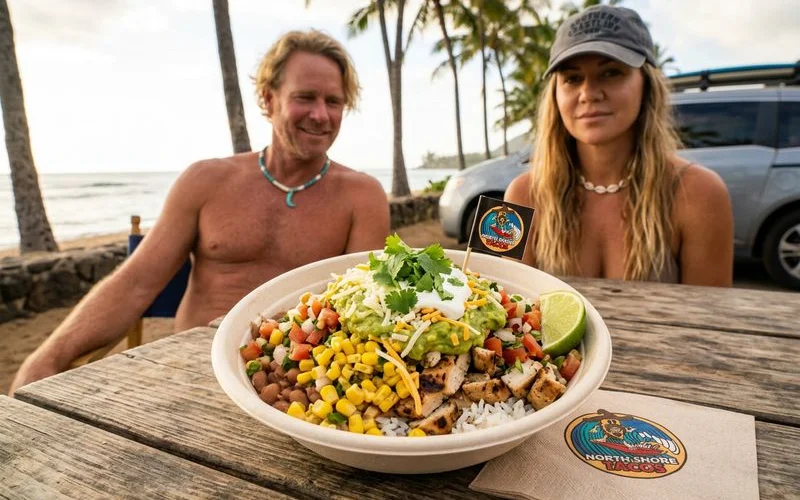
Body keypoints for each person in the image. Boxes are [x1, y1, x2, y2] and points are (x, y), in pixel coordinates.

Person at [10, 30, 390, 395]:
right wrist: (48, 356)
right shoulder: (207, 180)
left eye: (334, 101)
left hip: (301, 384)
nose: (321, 115)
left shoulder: (362, 196)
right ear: (268, 98)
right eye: (305, 97)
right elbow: (136, 283)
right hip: (188, 370)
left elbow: (362, 314)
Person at [505, 5, 733, 285]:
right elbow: (500, 304)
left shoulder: (698, 193)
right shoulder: (521, 197)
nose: (588, 93)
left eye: (612, 72)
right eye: (572, 78)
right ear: (555, 95)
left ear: (647, 85)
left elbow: (709, 320)